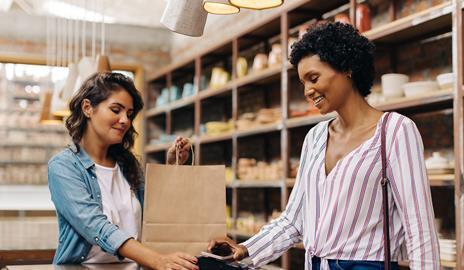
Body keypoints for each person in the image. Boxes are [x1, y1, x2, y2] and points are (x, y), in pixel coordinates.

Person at [208, 22, 440, 269]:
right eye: (302, 83)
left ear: (347, 68)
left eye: (313, 78)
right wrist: (246, 248)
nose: (307, 90)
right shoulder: (316, 137)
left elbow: (420, 230)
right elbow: (294, 220)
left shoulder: (394, 131)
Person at [48, 72, 199, 270]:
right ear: (87, 108)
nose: (125, 120)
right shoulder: (63, 166)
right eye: (116, 110)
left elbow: (156, 213)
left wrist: (173, 166)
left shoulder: (127, 165)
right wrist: (157, 260)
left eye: (129, 114)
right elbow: (96, 225)